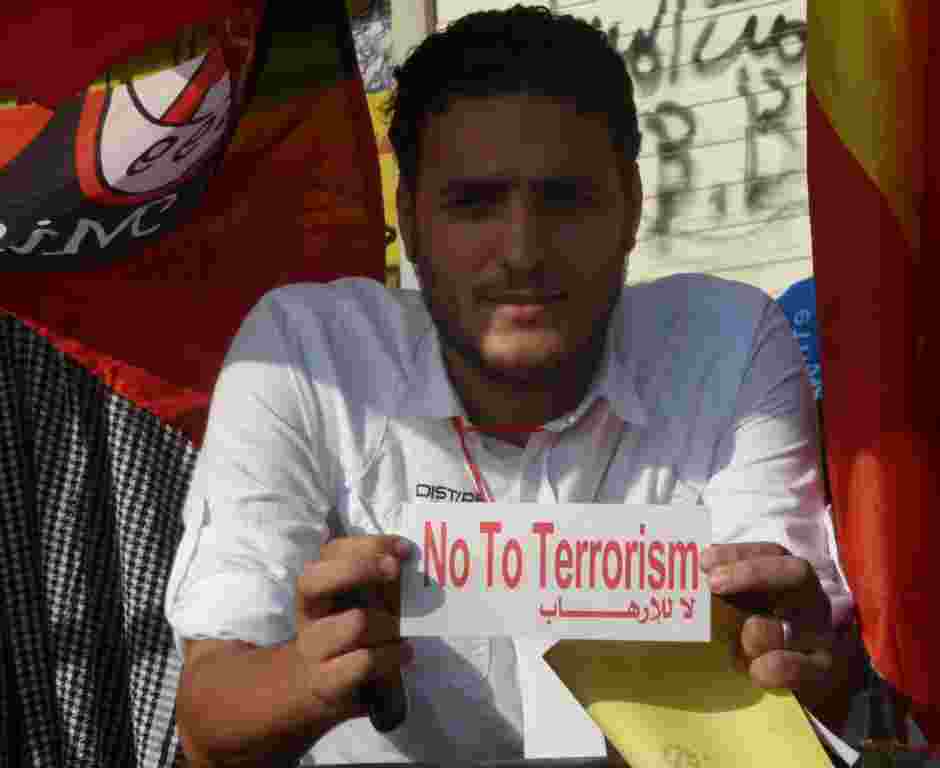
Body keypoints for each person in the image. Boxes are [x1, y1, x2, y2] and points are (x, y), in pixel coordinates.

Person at [167, 5, 866, 766]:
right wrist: (305, 679)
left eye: (564, 199)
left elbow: (806, 674)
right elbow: (208, 724)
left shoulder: (728, 345)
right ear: (411, 215)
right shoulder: (304, 359)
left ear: (630, 207)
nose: (523, 251)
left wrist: (805, 660)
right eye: (474, 203)